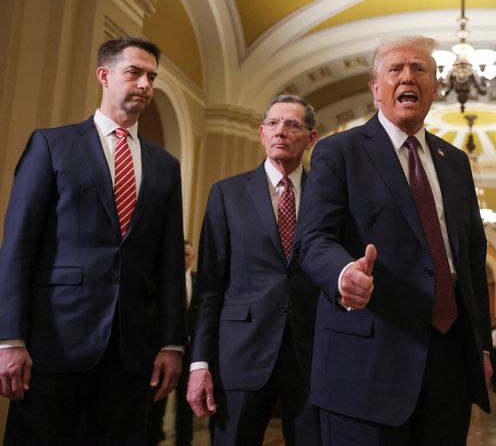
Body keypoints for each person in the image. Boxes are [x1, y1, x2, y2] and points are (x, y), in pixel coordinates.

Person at [294, 36, 492, 444]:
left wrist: (482, 349)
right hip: (367, 362)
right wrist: (343, 273)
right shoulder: (338, 152)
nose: (408, 77)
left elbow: (472, 260)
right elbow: (312, 239)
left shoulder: (454, 162)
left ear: (435, 88)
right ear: (375, 88)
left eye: (419, 69)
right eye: (395, 69)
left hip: (448, 363)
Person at [0, 37, 186, 444]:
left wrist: (172, 342)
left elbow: (170, 262)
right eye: (134, 72)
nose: (145, 84)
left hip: (131, 350)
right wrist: (9, 339)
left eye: (151, 77)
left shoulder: (165, 167)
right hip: (54, 343)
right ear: (104, 76)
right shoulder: (51, 145)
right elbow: (17, 248)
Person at [186, 95, 320, 445]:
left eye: (292, 124)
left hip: (314, 351)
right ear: (261, 133)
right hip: (240, 353)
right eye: (273, 124)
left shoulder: (328, 195)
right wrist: (199, 362)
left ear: (311, 137)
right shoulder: (227, 194)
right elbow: (209, 287)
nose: (281, 132)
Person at [146, 240, 198, 446]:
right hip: (162, 352)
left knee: (186, 406)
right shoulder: (163, 283)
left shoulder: (198, 281)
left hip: (191, 355)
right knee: (156, 403)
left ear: (192, 257)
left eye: (187, 255)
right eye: (181, 254)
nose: (184, 258)